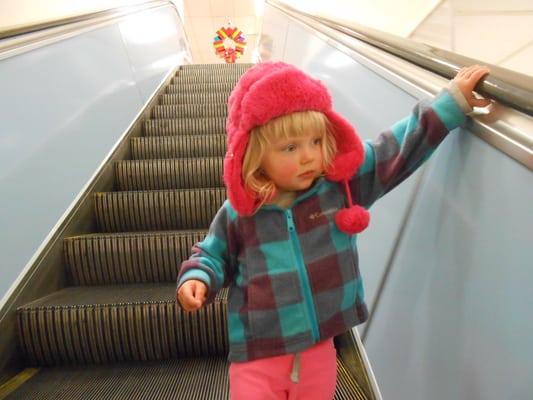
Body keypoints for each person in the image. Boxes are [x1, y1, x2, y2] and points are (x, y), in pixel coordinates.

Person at [176, 61, 491, 399]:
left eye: (315, 141)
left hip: (319, 349)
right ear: (255, 154)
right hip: (257, 355)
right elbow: (212, 253)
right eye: (290, 148)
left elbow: (394, 149)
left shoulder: (339, 187)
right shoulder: (240, 213)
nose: (309, 156)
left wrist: (450, 103)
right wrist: (198, 277)